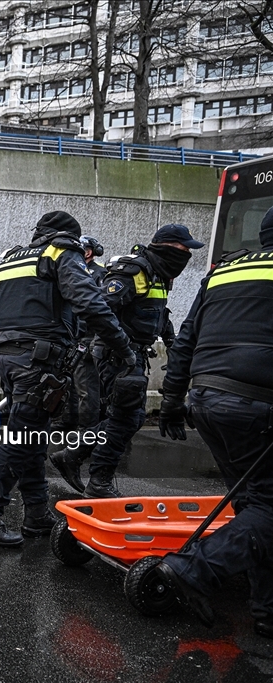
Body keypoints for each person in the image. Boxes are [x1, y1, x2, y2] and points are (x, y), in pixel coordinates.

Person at [0, 210, 134, 547]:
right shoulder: (60, 252)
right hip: (39, 364)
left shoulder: (9, 261)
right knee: (19, 442)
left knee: (32, 440)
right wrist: (124, 349)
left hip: (9, 362)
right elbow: (90, 303)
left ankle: (37, 514)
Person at [153, 206, 273, 639]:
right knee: (269, 509)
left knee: (257, 506)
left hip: (206, 399)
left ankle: (266, 611)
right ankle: (193, 569)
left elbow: (187, 337)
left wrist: (171, 399)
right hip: (256, 403)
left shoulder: (224, 271)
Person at [52, 225, 203, 498]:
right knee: (125, 418)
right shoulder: (134, 271)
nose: (186, 255)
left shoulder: (159, 274)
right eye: (183, 249)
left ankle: (74, 454)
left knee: (129, 419)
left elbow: (160, 313)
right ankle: (98, 481)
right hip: (117, 355)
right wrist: (122, 348)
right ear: (166, 246)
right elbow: (98, 310)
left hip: (133, 355)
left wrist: (172, 343)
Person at [58, 235, 107, 430]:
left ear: (88, 252)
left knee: (87, 387)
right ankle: (67, 420)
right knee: (69, 382)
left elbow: (97, 306)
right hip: (72, 336)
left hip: (88, 337)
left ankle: (86, 429)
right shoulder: (76, 271)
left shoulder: (98, 273)